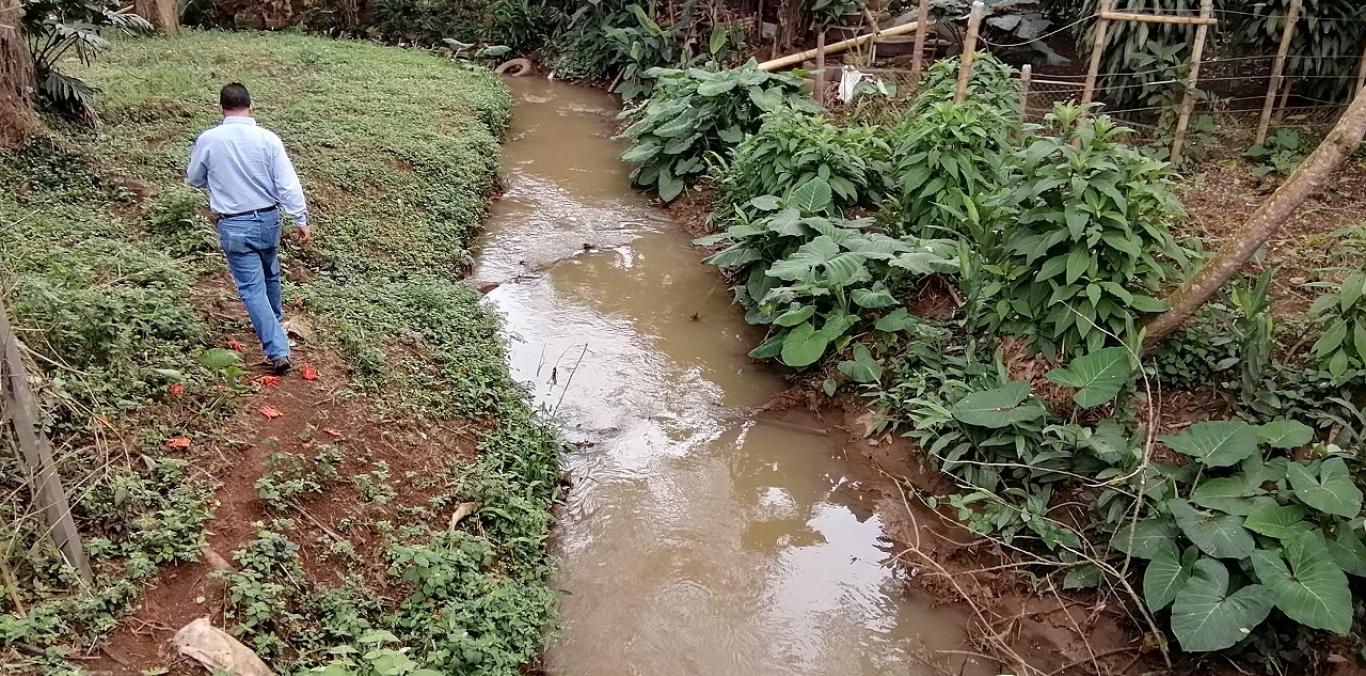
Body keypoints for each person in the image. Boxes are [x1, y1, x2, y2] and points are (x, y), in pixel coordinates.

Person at [187, 82, 311, 374]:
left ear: (221, 109)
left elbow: (194, 178)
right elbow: (287, 183)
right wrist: (300, 219)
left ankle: (277, 350)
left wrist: (219, 182)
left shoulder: (209, 139)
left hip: (234, 224)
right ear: (251, 106)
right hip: (268, 220)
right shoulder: (268, 139)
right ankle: (276, 325)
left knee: (252, 289)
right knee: (270, 274)